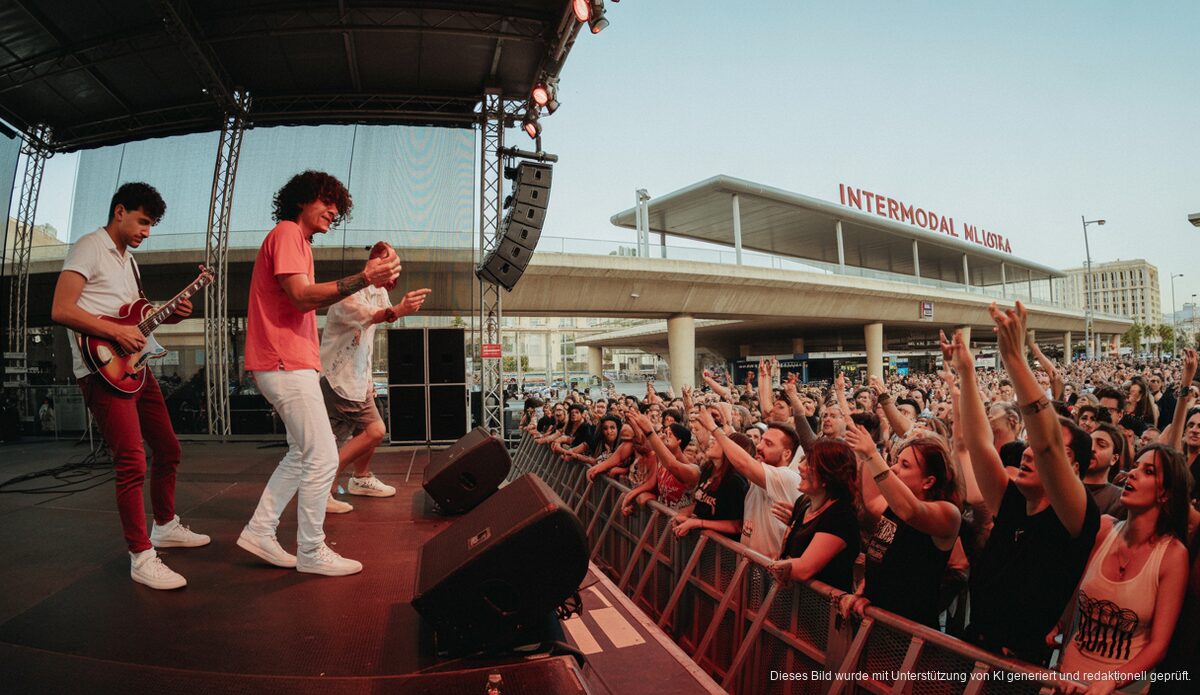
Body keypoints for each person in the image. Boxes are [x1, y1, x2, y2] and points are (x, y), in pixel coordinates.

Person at [237, 170, 399, 577]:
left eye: (337, 207)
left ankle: (260, 530)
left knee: (300, 454)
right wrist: (365, 277)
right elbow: (302, 297)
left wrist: (368, 275)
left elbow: (304, 299)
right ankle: (311, 550)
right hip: (282, 360)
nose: (332, 212)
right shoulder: (289, 233)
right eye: (326, 202)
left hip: (290, 361)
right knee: (323, 454)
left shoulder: (298, 242)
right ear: (301, 200)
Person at [51, 182, 209, 590]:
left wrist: (169, 316)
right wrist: (116, 334)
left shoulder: (128, 262)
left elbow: (135, 316)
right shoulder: (90, 246)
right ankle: (141, 556)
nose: (146, 232)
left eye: (152, 224)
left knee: (169, 449)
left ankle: (165, 525)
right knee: (132, 463)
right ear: (119, 211)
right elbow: (61, 309)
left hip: (136, 368)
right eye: (142, 221)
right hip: (101, 370)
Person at [949, 304, 1100, 666]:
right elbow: (977, 443)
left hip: (1018, 668)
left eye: (1046, 450)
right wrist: (967, 372)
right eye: (1026, 445)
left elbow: (1047, 446)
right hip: (974, 649)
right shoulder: (1012, 500)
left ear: (1074, 468)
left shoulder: (1074, 517)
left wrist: (1015, 359)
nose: (1030, 453)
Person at [1057, 444, 1191, 694]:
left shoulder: (1172, 555)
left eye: (1149, 471)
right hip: (1068, 677)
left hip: (1119, 688)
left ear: (1165, 494)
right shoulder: (1104, 528)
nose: (1133, 473)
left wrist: (1113, 679)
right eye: (1135, 466)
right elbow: (1077, 595)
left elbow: (1159, 645)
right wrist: (1059, 627)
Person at [320, 241, 431, 513]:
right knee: (374, 430)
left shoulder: (377, 291)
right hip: (337, 380)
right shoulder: (347, 295)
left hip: (357, 380)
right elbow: (374, 316)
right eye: (391, 264)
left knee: (358, 433)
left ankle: (360, 478)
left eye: (397, 265)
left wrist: (368, 380)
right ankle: (322, 487)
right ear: (375, 264)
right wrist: (399, 311)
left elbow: (376, 324)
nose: (395, 271)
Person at [845, 430, 962, 628]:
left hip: (910, 633)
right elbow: (874, 500)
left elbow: (911, 512)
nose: (894, 468)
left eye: (905, 465)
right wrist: (866, 456)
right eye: (896, 461)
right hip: (878, 621)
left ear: (928, 481)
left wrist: (873, 455)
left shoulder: (948, 513)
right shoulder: (893, 507)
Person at [699, 408, 802, 558]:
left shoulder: (787, 477)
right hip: (750, 564)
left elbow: (743, 462)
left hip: (769, 571)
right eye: (761, 441)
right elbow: (736, 453)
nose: (759, 447)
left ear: (786, 453)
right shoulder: (757, 478)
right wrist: (725, 423)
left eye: (768, 444)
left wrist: (714, 428)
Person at [768, 439, 861, 592]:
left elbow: (804, 569)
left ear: (827, 476)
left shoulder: (840, 517)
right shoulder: (803, 502)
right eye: (804, 460)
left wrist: (766, 564)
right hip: (792, 601)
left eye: (809, 464)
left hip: (820, 610)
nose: (800, 466)